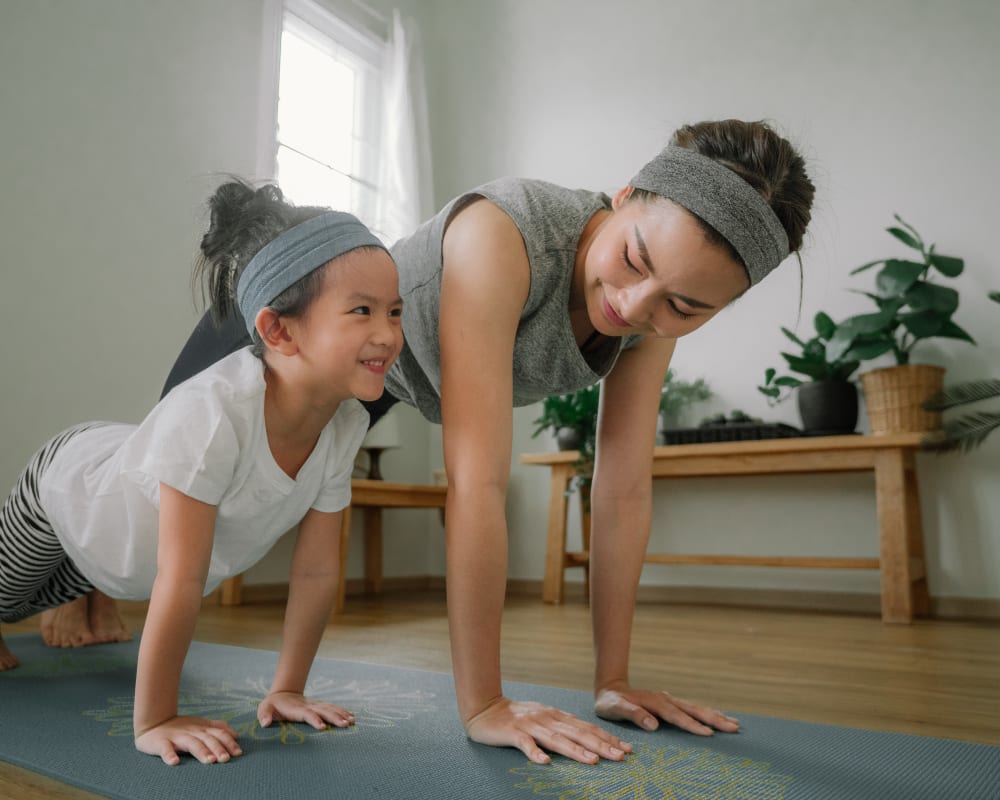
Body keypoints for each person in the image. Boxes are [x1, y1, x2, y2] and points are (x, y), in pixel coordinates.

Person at [106, 118, 817, 766]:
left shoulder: (646, 319)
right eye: (633, 260)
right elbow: (476, 482)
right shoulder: (505, 233)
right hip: (312, 337)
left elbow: (622, 485)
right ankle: (80, 587)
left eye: (685, 306)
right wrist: (483, 705)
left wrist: (613, 681)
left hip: (386, 382)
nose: (634, 306)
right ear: (626, 196)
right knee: (142, 483)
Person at [0, 182, 404, 767]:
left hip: (120, 548)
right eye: (362, 310)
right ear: (278, 331)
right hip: (66, 491)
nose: (389, 333)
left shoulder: (342, 426)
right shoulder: (214, 412)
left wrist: (287, 688)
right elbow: (181, 579)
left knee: (69, 586)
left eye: (395, 311)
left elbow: (316, 572)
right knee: (8, 604)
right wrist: (157, 718)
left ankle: (85, 595)